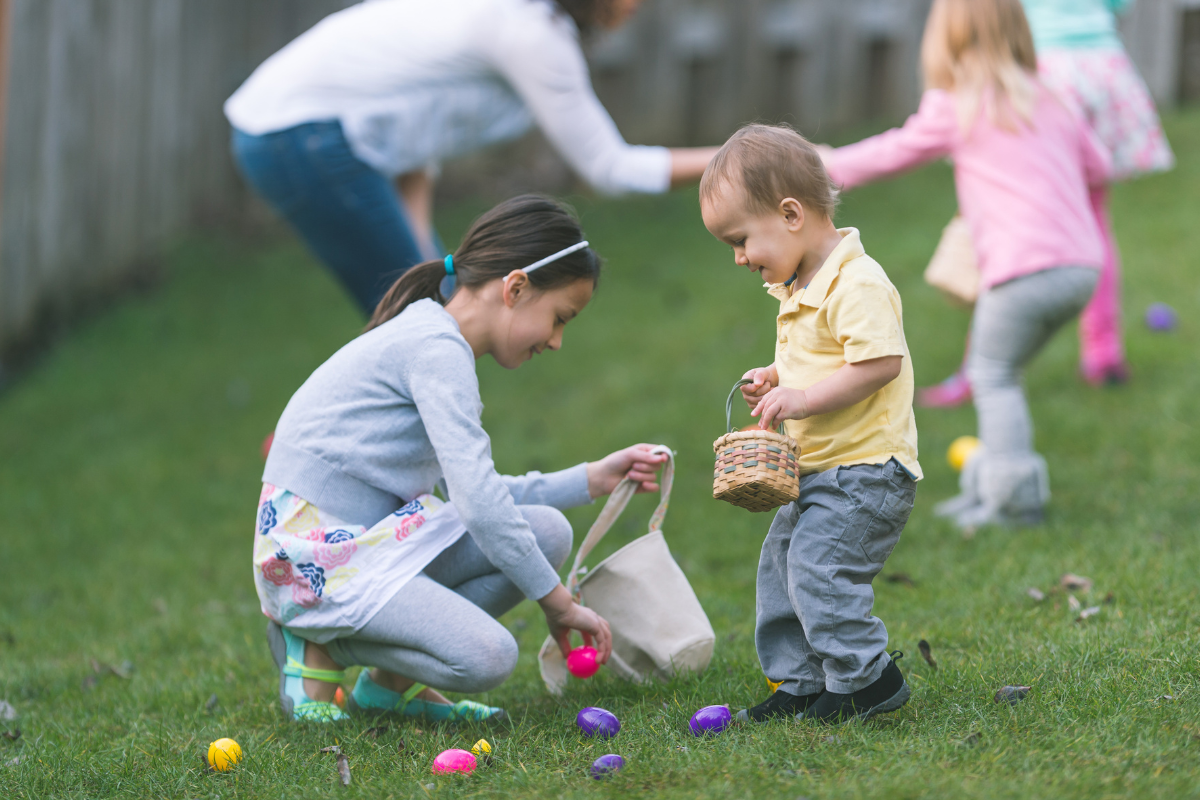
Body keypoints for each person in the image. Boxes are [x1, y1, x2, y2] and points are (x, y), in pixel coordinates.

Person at [253, 195, 668, 722]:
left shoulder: (434, 339)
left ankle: (388, 688)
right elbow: (478, 504)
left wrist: (590, 478)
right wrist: (557, 603)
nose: (558, 341)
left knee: (546, 533)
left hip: (371, 543)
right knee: (489, 656)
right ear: (515, 288)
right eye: (560, 318)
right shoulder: (435, 349)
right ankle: (317, 643)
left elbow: (479, 495)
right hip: (312, 560)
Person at [225, 0, 719, 315]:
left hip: (289, 133)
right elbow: (611, 169)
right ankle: (314, 455)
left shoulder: (519, 21)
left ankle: (315, 450)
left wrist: (420, 252)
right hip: (296, 135)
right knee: (425, 323)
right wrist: (739, 156)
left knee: (429, 309)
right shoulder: (528, 31)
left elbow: (414, 138)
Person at [822, 0, 1110, 528]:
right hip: (1081, 268)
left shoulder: (958, 104)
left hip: (1023, 272)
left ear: (945, 41)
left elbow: (895, 150)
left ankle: (1013, 503)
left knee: (993, 374)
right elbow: (1099, 165)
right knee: (1005, 369)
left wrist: (827, 163)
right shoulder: (1051, 97)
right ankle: (988, 487)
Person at [700, 124, 921, 724]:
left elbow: (877, 364)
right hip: (818, 470)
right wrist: (777, 375)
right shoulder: (801, 285)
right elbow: (820, 356)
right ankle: (799, 682)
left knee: (819, 571)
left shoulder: (857, 282)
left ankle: (864, 679)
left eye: (741, 239)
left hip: (867, 470)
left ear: (791, 214)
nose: (740, 257)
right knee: (780, 571)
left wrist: (801, 400)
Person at [919, 0, 1173, 405]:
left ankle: (976, 367)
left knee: (1003, 211)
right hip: (1103, 65)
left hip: (1041, 65)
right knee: (1093, 220)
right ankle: (1104, 357)